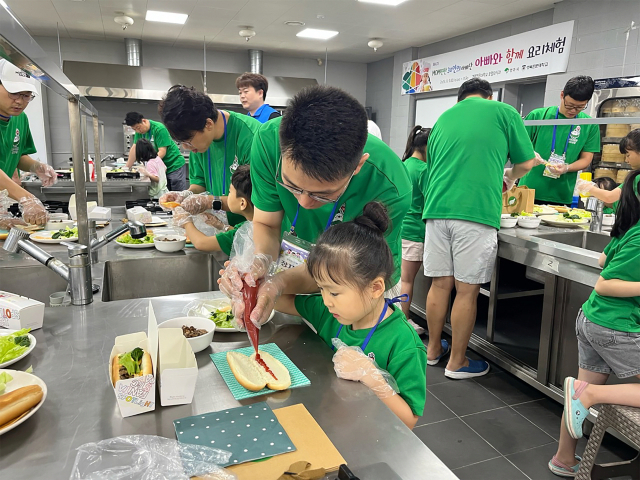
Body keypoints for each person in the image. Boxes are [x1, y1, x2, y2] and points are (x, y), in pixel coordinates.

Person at [218, 85, 411, 329]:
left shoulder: (389, 186)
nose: (304, 203)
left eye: (324, 194)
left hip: (358, 281)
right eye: (292, 186)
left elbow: (343, 271)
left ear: (358, 166)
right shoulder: (268, 144)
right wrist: (259, 265)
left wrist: (279, 284)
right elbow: (266, 223)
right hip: (299, 266)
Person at [272, 202, 427, 429]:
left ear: (375, 288)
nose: (325, 300)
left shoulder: (403, 343)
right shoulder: (330, 313)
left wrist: (373, 379)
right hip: (336, 423)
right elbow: (279, 299)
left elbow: (409, 420)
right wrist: (256, 287)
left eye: (334, 291)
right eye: (321, 288)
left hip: (375, 436)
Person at [421, 78, 535, 379]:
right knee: (467, 291)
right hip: (474, 212)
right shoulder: (503, 111)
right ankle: (457, 362)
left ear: (461, 98)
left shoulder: (443, 118)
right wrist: (508, 178)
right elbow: (526, 162)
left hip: (435, 211)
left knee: (440, 284)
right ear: (488, 96)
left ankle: (432, 350)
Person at [548, 169, 640, 478]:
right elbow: (605, 282)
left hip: (592, 319)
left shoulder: (630, 229)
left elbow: (603, 261)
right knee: (585, 391)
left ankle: (563, 457)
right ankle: (590, 396)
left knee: (583, 384)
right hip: (615, 325)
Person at [158, 85, 259, 226]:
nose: (187, 148)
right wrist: (186, 195)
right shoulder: (199, 143)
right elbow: (199, 182)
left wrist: (209, 201)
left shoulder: (251, 138)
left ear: (208, 124)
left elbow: (253, 201)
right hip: (217, 227)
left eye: (188, 141)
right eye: (181, 142)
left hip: (249, 230)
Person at [519, 76, 601, 205]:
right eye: (569, 105)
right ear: (562, 95)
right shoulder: (538, 116)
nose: (573, 111)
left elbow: (586, 159)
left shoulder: (589, 124)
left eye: (580, 107)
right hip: (529, 190)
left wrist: (567, 168)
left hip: (562, 195)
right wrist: (529, 156)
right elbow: (518, 147)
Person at [0, 59, 51, 227]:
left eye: (26, 95)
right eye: (13, 93)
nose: (20, 101)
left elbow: (18, 153)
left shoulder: (20, 118)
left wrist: (36, 167)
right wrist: (27, 199)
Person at [172, 165, 253, 254]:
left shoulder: (249, 231)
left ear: (242, 203)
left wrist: (186, 222)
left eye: (229, 192)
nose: (227, 196)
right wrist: (222, 226)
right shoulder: (249, 226)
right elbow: (238, 233)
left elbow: (202, 243)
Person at [399, 125, 431, 332]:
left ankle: (399, 317)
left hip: (401, 227)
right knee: (407, 280)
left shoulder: (404, 164)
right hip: (416, 231)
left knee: (400, 277)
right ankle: (404, 321)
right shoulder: (424, 170)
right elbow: (432, 201)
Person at [577, 130, 640, 211]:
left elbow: (609, 197)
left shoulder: (637, 178)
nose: (626, 160)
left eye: (628, 155)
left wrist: (588, 187)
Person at [124, 111, 187, 192]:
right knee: (165, 195)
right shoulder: (139, 132)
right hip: (160, 167)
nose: (138, 131)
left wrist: (150, 164)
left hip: (173, 164)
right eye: (134, 129)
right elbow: (134, 148)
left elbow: (162, 151)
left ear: (144, 121)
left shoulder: (159, 129)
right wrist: (126, 167)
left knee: (177, 195)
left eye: (138, 127)